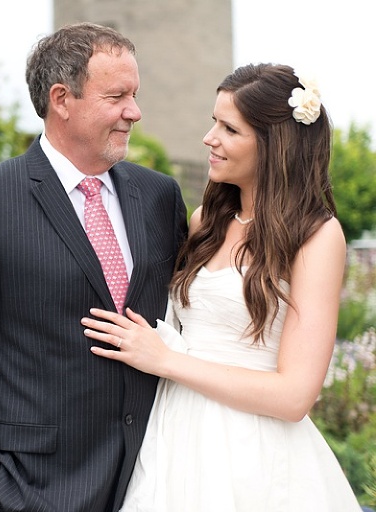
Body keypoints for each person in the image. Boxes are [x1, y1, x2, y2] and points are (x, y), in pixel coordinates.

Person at [0, 22, 187, 512]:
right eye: (117, 96)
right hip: (34, 490)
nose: (135, 112)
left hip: (156, 479)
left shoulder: (159, 196)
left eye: (135, 94)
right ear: (62, 99)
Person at [83, 63, 363, 510]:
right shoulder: (204, 222)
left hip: (251, 449)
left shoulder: (316, 236)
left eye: (229, 128)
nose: (209, 138)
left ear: (275, 147)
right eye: (213, 122)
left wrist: (167, 361)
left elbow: (294, 397)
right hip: (172, 435)